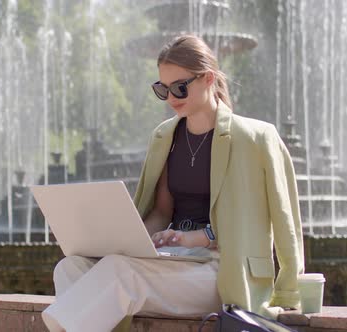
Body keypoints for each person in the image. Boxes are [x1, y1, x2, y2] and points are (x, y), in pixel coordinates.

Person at [41, 35, 304, 332]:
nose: (171, 98)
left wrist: (289, 292)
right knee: (71, 266)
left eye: (179, 87)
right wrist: (123, 239)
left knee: (120, 273)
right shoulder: (165, 136)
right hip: (174, 262)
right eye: (161, 89)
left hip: (221, 272)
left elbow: (286, 220)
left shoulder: (255, 137)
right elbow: (162, 213)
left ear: (208, 78)